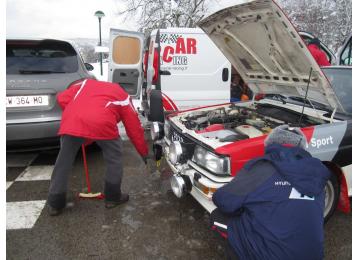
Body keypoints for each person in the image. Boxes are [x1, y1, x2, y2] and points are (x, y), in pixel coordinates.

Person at [210, 125, 331, 260]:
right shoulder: (317, 174)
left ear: (270, 144)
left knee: (217, 215)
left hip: (268, 256)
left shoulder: (261, 169)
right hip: (313, 256)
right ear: (302, 147)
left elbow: (222, 200)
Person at [47, 79, 149, 216]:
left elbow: (61, 98)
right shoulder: (123, 95)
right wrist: (143, 152)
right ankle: (113, 197)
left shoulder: (84, 84)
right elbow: (133, 128)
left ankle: (55, 202)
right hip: (103, 122)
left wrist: (78, 113)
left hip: (72, 121)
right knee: (114, 158)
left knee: (63, 161)